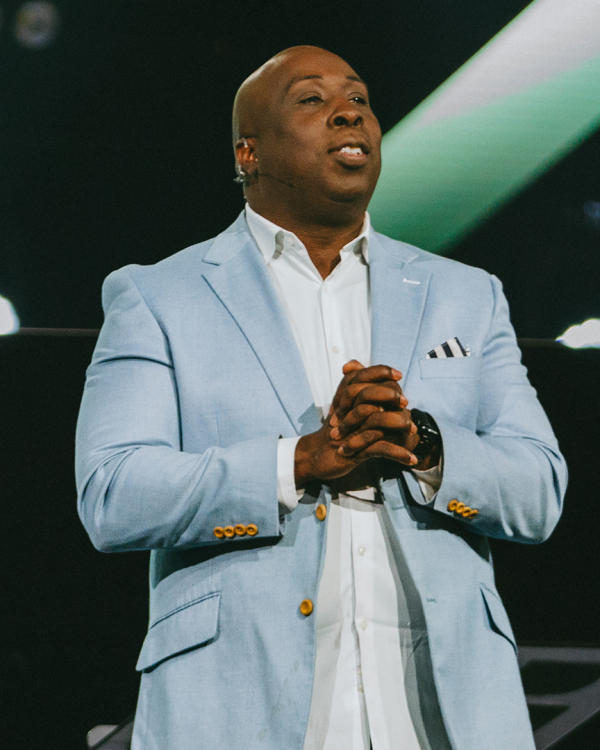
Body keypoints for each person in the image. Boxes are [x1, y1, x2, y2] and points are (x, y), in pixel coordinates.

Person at [75, 46, 567, 750]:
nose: (348, 113)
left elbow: (540, 489)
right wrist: (300, 461)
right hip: (239, 712)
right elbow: (113, 493)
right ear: (248, 153)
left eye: (359, 99)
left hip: (444, 719)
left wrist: (422, 444)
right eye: (312, 99)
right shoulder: (159, 297)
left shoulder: (467, 294)